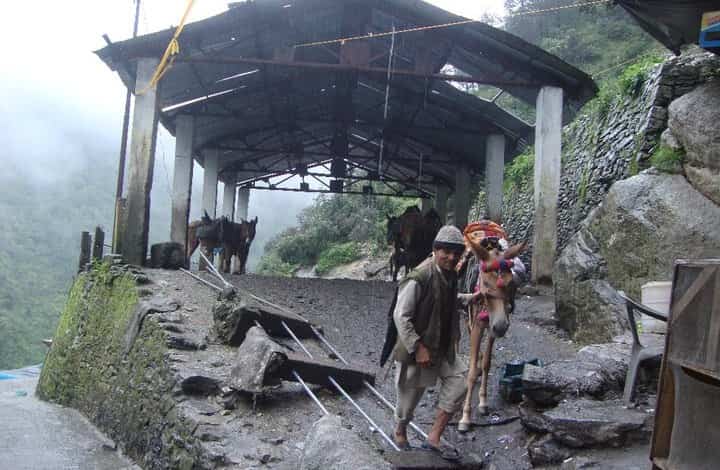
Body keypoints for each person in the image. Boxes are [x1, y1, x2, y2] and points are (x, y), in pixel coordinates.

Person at [384, 225, 468, 461]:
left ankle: (434, 436)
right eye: (446, 252)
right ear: (435, 250)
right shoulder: (419, 277)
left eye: (456, 253)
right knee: (408, 404)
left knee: (460, 381)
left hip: (440, 347)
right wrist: (417, 346)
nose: (451, 257)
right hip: (417, 349)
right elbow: (401, 315)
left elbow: (445, 299)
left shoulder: (450, 275)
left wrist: (469, 299)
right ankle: (400, 429)